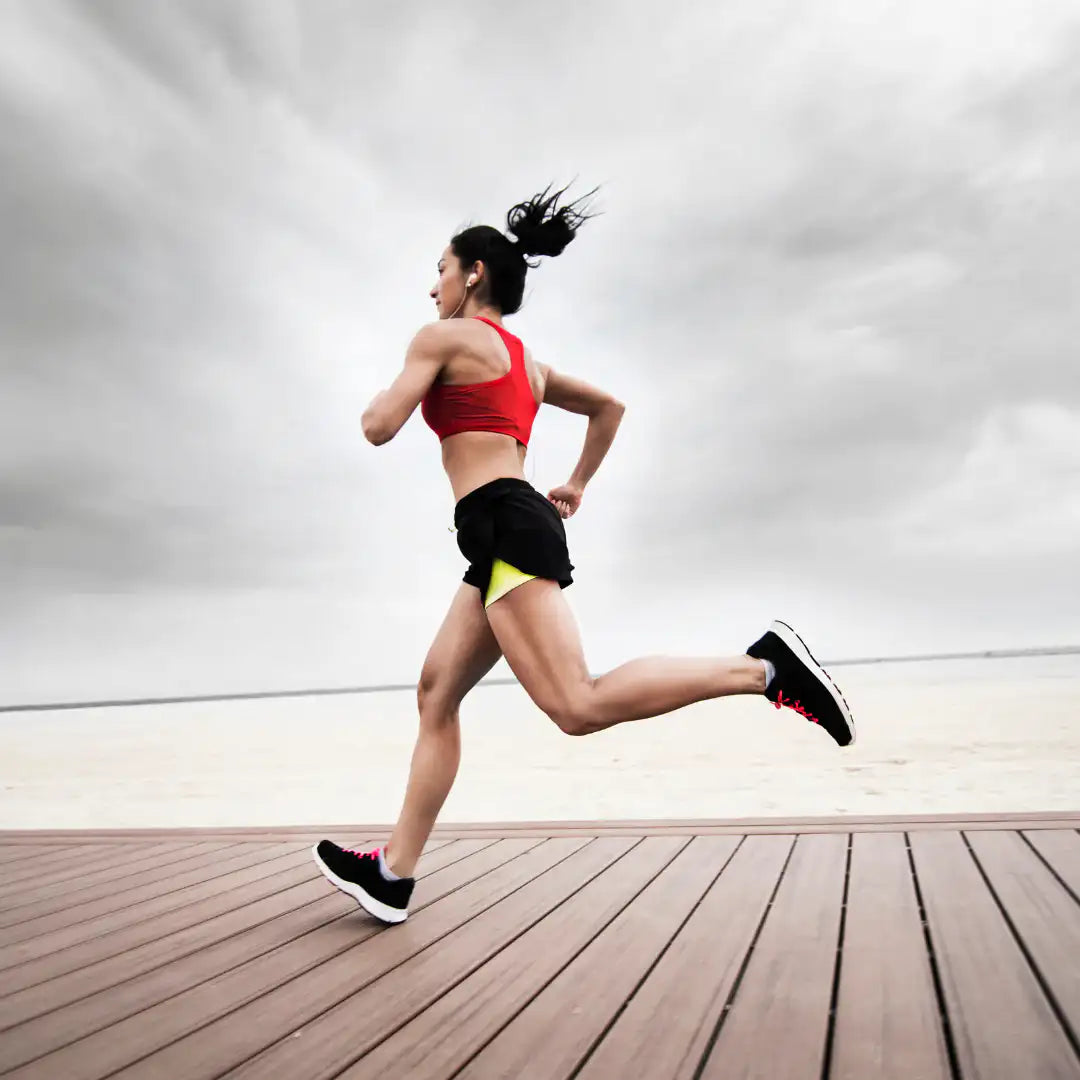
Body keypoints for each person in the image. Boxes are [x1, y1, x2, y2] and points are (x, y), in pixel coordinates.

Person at [312, 183, 856, 924]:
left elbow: (379, 425)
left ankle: (763, 668)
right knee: (437, 694)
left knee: (577, 704)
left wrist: (386, 393)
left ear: (474, 273)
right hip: (506, 525)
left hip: (503, 523)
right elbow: (611, 407)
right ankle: (394, 876)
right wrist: (574, 483)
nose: (430, 283)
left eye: (439, 267)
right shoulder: (528, 364)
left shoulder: (438, 338)